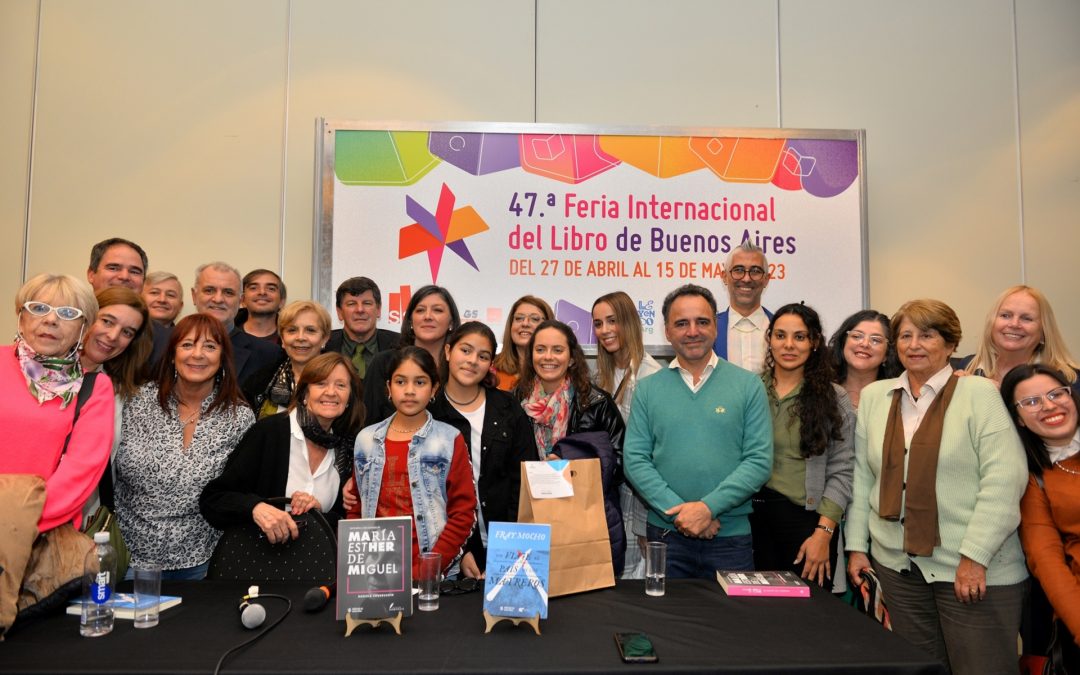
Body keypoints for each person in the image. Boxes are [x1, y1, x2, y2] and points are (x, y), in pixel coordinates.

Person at [845, 299, 1028, 675]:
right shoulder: (877, 398)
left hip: (974, 570)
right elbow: (864, 476)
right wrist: (856, 547)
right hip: (899, 569)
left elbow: (1004, 481)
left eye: (927, 335)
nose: (914, 344)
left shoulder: (979, 394)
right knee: (922, 669)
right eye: (906, 335)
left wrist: (975, 557)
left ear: (950, 345)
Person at [624, 284, 772, 579]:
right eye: (682, 323)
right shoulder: (649, 389)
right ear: (667, 331)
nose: (693, 331)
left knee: (733, 623)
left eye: (702, 321)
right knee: (666, 623)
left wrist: (707, 509)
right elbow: (635, 460)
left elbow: (759, 461)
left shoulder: (748, 385)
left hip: (730, 538)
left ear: (715, 327)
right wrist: (684, 515)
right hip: (666, 538)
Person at [114, 314, 255, 580]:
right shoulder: (136, 401)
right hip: (131, 559)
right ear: (172, 354)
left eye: (210, 346)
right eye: (188, 345)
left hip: (204, 561)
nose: (198, 355)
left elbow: (236, 490)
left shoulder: (239, 417)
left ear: (223, 357)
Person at [201, 353, 363, 538]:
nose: (331, 392)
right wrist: (257, 507)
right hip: (260, 560)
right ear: (304, 393)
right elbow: (214, 499)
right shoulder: (270, 432)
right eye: (321, 383)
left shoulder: (347, 448)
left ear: (349, 397)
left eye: (341, 385)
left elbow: (344, 521)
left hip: (318, 563)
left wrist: (318, 513)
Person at [749, 303, 854, 587]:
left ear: (815, 342)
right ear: (769, 339)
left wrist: (823, 533)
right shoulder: (748, 389)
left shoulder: (834, 398)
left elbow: (843, 470)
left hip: (806, 526)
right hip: (750, 521)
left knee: (805, 623)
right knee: (752, 620)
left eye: (799, 337)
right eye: (780, 335)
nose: (789, 345)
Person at [350, 347, 477, 577]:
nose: (409, 391)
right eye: (400, 382)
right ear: (388, 387)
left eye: (420, 382)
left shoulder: (449, 439)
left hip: (433, 573)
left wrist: (427, 569)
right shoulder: (366, 439)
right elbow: (356, 509)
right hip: (375, 572)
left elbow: (464, 513)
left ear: (434, 389)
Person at [1, 274, 114, 531]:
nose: (51, 320)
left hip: (39, 538)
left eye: (67, 313)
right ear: (21, 316)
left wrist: (16, 521)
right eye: (38, 308)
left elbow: (79, 474)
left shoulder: (94, 388)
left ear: (83, 329)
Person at [427, 322, 535, 578]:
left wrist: (507, 548)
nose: (472, 361)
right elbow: (430, 495)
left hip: (509, 546)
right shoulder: (430, 413)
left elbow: (524, 479)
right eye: (465, 350)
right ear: (448, 352)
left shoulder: (507, 407)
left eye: (483, 356)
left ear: (490, 364)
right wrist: (461, 549)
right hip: (453, 550)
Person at [1002, 364, 1080, 668]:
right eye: (1031, 402)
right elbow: (1045, 561)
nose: (1049, 406)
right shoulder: (1035, 479)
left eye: (1055, 394)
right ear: (1019, 420)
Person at [592, 291, 662, 579]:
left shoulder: (653, 377)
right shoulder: (599, 376)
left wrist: (647, 524)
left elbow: (656, 458)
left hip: (637, 506)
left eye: (612, 320)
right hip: (607, 502)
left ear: (631, 321)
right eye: (598, 323)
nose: (605, 330)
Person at [79, 287, 152, 512]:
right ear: (88, 316)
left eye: (127, 332)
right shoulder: (37, 376)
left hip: (86, 520)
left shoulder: (119, 393)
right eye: (107, 321)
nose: (113, 337)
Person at [362, 285, 459, 425]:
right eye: (420, 310)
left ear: (451, 322)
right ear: (410, 321)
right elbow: (366, 421)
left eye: (437, 310)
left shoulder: (459, 367)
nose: (427, 317)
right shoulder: (384, 362)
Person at [959, 285, 1079, 391]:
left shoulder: (1068, 380)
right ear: (992, 324)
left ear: (1044, 331)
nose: (1014, 324)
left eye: (1027, 318)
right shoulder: (968, 366)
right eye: (1005, 315)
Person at [190, 262, 282, 390]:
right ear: (194, 296)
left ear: (240, 300)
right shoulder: (169, 344)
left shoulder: (269, 354)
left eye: (228, 293)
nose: (218, 299)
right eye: (209, 290)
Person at [243, 301, 331, 419]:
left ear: (324, 338)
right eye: (292, 330)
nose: (300, 337)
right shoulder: (259, 382)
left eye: (310, 330)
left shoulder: (342, 379)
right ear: (283, 340)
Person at [324, 276, 401, 385]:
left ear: (378, 310)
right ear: (339, 312)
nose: (360, 310)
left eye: (367, 303)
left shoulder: (401, 346)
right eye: (351, 304)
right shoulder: (323, 345)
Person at [712, 241, 773, 372]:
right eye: (738, 270)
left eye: (755, 271)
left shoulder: (780, 329)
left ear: (766, 279)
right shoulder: (708, 328)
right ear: (724, 277)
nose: (746, 279)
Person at [827, 309, 901, 408]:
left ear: (887, 354)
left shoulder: (897, 399)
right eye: (857, 336)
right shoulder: (823, 393)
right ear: (843, 343)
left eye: (875, 340)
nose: (865, 344)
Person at [492, 295, 553, 391]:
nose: (525, 323)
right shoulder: (489, 370)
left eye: (535, 319)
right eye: (519, 318)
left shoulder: (556, 373)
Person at [237, 269, 286, 344]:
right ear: (243, 300)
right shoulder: (224, 335)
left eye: (271, 289)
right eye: (253, 288)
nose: (262, 292)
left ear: (282, 301)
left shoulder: (291, 340)